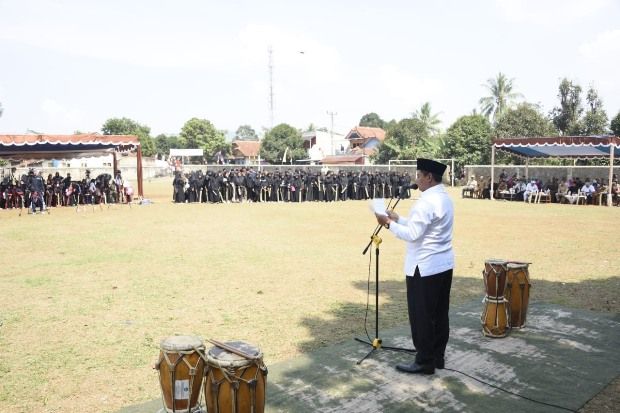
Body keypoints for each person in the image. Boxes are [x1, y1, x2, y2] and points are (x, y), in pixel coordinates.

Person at [375, 158, 454, 375]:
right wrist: (399, 218)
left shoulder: (426, 202)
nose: (416, 179)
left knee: (422, 316)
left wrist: (388, 224)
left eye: (419, 175)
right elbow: (421, 226)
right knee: (439, 314)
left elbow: (413, 235)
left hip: (425, 267)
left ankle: (424, 361)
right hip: (442, 265)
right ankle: (437, 356)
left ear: (429, 177)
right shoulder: (443, 198)